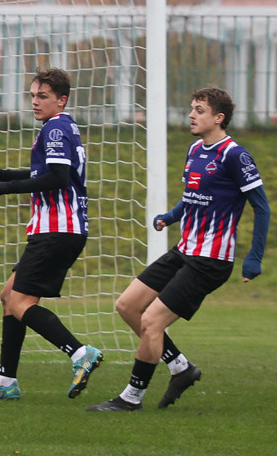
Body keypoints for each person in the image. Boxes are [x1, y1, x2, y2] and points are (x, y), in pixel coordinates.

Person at [87, 88, 269, 412]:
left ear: (218, 118)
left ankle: (131, 398)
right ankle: (180, 367)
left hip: (210, 260)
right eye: (192, 108)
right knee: (128, 306)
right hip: (185, 250)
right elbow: (191, 196)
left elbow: (262, 207)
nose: (191, 115)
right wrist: (170, 217)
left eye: (199, 110)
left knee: (152, 322)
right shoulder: (195, 150)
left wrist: (254, 256)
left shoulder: (234, 155)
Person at [0, 67, 103, 402]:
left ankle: (79, 352)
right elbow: (44, 171)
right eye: (32, 96)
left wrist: (6, 187)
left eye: (42, 96)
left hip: (57, 229)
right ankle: (6, 381)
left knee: (20, 301)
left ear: (61, 99)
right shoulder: (62, 127)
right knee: (8, 296)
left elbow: (56, 177)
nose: (35, 102)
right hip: (58, 229)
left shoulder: (55, 128)